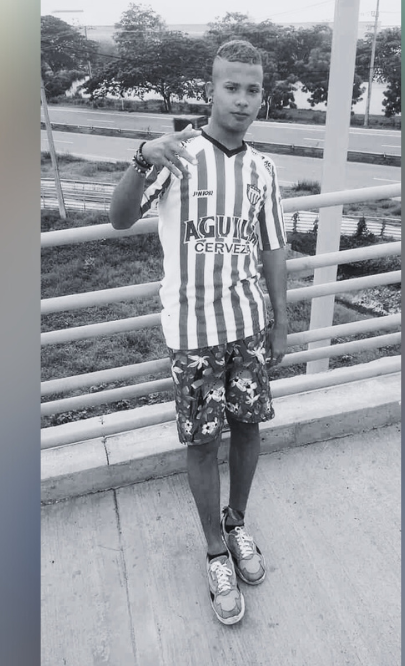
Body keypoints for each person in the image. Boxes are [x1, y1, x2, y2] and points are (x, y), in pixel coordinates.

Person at [108, 39, 289, 626]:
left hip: (248, 327)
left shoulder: (263, 169)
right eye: (231, 87)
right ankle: (214, 550)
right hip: (192, 333)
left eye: (253, 89)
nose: (242, 100)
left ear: (262, 97)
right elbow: (119, 218)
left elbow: (273, 248)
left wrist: (281, 320)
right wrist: (142, 156)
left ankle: (237, 523)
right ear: (210, 90)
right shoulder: (178, 155)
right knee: (203, 443)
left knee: (248, 429)